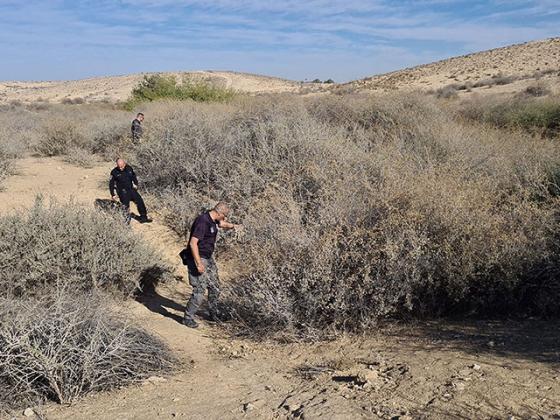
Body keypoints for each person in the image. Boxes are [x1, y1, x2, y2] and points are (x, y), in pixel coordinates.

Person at [182, 202, 240, 328]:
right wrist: (198, 264)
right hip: (198, 258)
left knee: (215, 286)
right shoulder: (203, 222)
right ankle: (188, 318)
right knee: (199, 290)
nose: (225, 218)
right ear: (218, 213)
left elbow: (222, 224)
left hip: (208, 258)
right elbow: (193, 243)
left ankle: (213, 313)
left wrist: (234, 226)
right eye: (224, 215)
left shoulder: (213, 220)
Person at [109, 158, 152, 224]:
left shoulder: (129, 168)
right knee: (125, 207)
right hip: (122, 192)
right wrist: (113, 194)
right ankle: (126, 222)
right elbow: (111, 184)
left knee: (140, 202)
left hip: (131, 190)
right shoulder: (114, 172)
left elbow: (133, 176)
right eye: (119, 166)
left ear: (124, 164)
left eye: (122, 166)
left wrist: (136, 183)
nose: (120, 168)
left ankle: (144, 218)